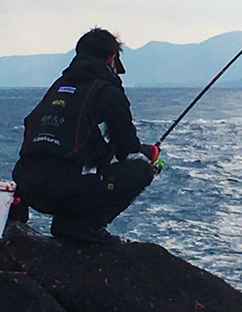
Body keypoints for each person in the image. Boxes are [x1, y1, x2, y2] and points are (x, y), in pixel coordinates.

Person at [12, 28, 160, 244]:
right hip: (63, 192)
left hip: (27, 186)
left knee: (68, 168)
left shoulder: (59, 86)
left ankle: (56, 219)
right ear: (112, 58)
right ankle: (82, 225)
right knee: (141, 169)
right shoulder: (108, 92)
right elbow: (127, 150)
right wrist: (150, 151)